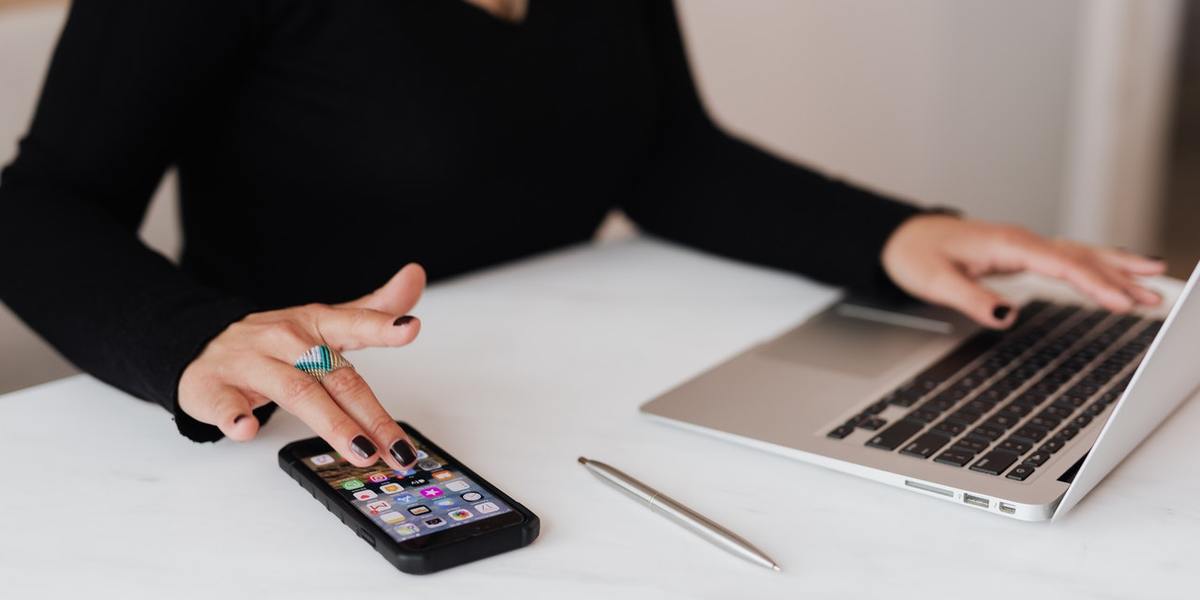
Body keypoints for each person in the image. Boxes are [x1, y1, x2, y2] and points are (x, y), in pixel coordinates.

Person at [0, 0, 1165, 472]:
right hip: (319, 436)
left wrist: (899, 234)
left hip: (581, 406)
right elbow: (38, 204)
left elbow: (662, 152)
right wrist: (193, 341)